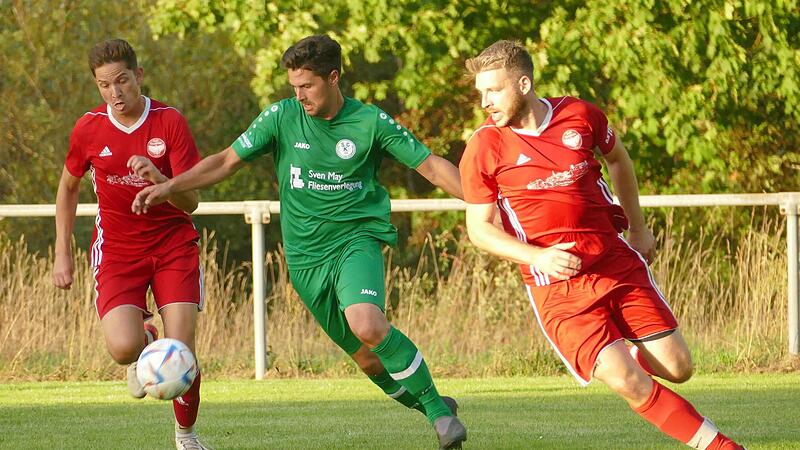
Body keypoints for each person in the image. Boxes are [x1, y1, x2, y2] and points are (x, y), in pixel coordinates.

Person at [132, 34, 468, 449]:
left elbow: (432, 166)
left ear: (333, 76)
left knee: (367, 323)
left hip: (354, 241)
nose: (299, 95)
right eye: (293, 86)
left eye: (307, 86)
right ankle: (434, 405)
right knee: (366, 358)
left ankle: (439, 417)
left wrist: (488, 200)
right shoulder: (281, 117)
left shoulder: (370, 122)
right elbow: (225, 161)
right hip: (306, 261)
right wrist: (170, 187)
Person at [459, 40, 745, 450]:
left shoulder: (579, 114)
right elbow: (480, 229)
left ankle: (631, 366)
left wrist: (639, 229)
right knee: (630, 383)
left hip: (613, 260)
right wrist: (538, 255)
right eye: (481, 93)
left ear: (523, 84)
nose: (485, 101)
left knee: (680, 367)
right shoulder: (484, 146)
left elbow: (619, 161)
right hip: (557, 286)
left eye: (494, 90)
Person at [52, 39, 208, 450]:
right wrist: (61, 253)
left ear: (138, 76)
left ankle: (186, 436)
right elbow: (67, 189)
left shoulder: (169, 122)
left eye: (122, 80)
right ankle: (146, 338)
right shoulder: (88, 128)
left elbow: (191, 202)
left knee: (183, 351)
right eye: (105, 85)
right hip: (119, 249)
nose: (115, 93)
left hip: (173, 243)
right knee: (123, 350)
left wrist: (160, 179)